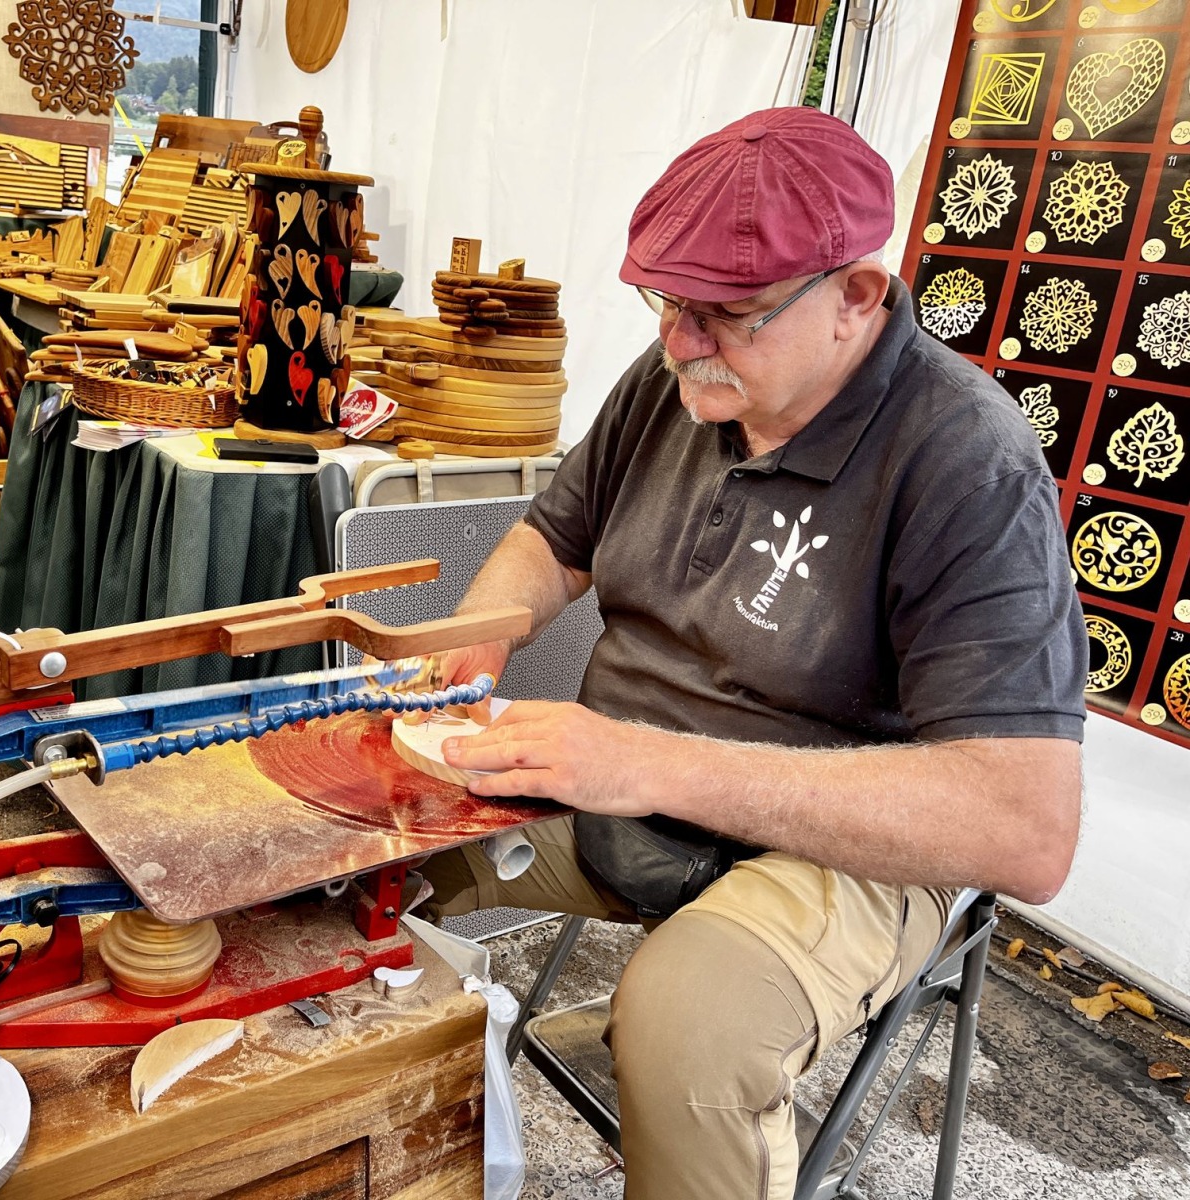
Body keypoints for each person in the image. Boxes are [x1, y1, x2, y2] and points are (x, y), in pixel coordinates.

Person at [418, 106, 1085, 1200]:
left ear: (856, 296)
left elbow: (1024, 828)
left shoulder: (969, 462)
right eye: (666, 303)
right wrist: (477, 637)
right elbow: (555, 539)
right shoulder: (682, 376)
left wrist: (648, 763)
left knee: (688, 1027)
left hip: (846, 844)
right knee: (352, 855)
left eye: (727, 313)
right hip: (619, 794)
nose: (681, 341)